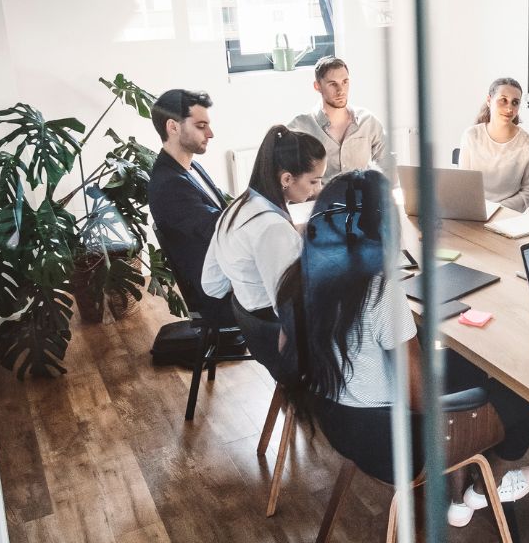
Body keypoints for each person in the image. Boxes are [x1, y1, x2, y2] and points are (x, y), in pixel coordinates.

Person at [277, 171, 529, 526]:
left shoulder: (299, 278)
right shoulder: (379, 291)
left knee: (459, 362)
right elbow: (421, 401)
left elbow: (288, 353)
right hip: (396, 448)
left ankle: (460, 492)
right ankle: (487, 486)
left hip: (342, 428)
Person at [202, 125, 326, 380]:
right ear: (286, 179)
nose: (318, 188)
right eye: (314, 180)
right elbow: (291, 309)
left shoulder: (238, 206)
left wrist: (249, 282)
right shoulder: (273, 229)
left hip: (257, 334)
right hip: (284, 350)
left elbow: (212, 285)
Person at [148, 88, 235, 327]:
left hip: (227, 272)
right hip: (219, 296)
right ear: (173, 127)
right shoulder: (169, 185)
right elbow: (220, 228)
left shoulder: (190, 169)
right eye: (200, 126)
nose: (210, 133)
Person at [288, 56, 388, 184]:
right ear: (317, 86)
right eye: (333, 84)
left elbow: (388, 164)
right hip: (320, 202)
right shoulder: (300, 127)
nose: (341, 90)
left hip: (362, 201)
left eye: (345, 82)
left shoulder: (367, 121)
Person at [459, 76, 529, 212]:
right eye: (503, 100)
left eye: (515, 103)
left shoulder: (528, 144)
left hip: (507, 215)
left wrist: (498, 209)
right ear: (489, 101)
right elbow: (463, 183)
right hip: (473, 212)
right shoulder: (471, 135)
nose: (509, 108)